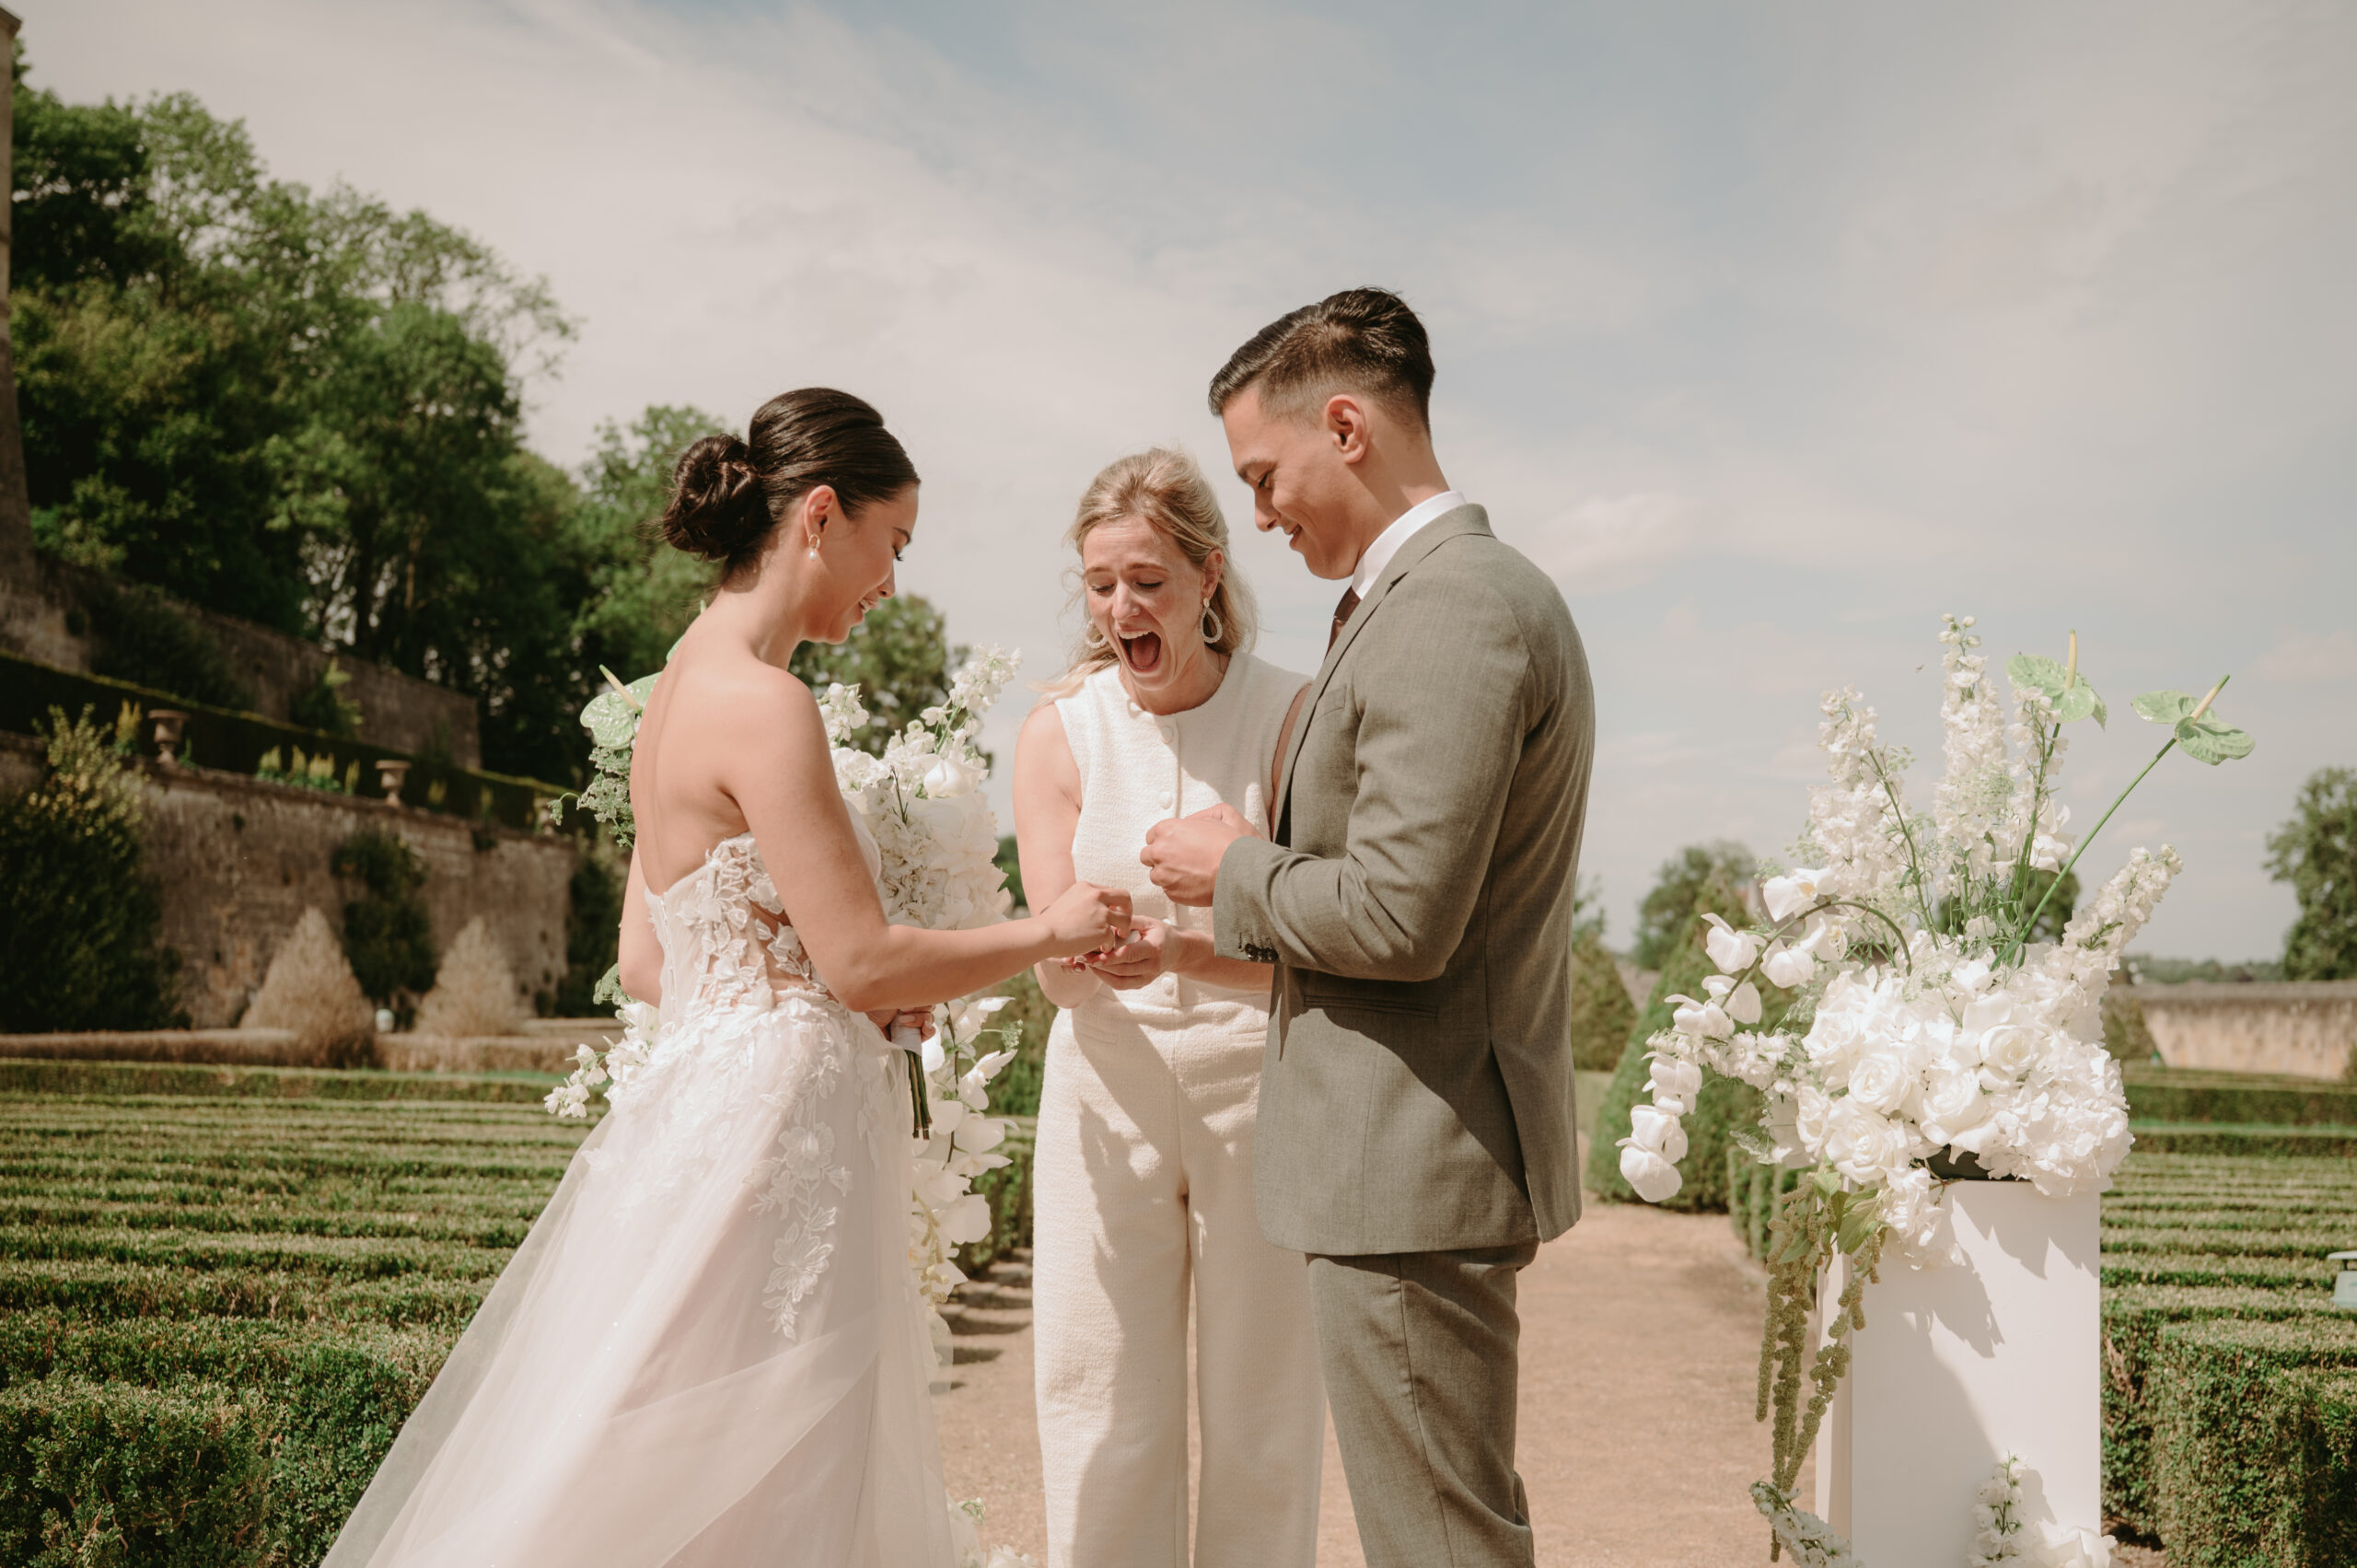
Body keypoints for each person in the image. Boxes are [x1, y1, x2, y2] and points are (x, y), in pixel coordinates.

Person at [323, 389, 1130, 1568]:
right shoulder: (766, 704)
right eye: (894, 543)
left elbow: (645, 960)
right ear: (820, 514)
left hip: (698, 1114)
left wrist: (801, 983)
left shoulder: (667, 695)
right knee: (778, 1482)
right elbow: (860, 960)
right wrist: (1050, 928)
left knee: (658, 1456)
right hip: (783, 1134)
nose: (891, 581)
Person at [1142, 290, 1595, 1568]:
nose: (1260, 515)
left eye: (1263, 476)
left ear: (1346, 427)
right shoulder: (1433, 597)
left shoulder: (1453, 605)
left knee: (1439, 1543)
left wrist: (1235, 867)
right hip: (1407, 1163)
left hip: (1413, 1162)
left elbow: (1401, 915)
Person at [1011, 448, 1324, 1568]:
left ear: (1207, 575)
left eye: (1146, 580)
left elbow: (1325, 952)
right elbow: (1049, 959)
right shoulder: (1060, 731)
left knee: (1264, 1417)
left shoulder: (1292, 715)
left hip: (1263, 1088)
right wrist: (1082, 953)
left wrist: (1187, 951)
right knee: (1098, 1404)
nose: (1120, 608)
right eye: (1100, 584)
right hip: (1103, 1092)